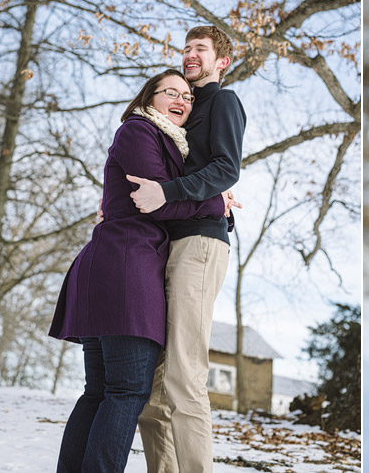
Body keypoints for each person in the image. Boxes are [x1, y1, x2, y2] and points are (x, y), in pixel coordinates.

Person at [49, 69, 226, 473]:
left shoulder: (163, 141)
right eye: (171, 92)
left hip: (109, 265)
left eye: (188, 95)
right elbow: (156, 202)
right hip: (126, 266)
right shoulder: (140, 131)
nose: (182, 99)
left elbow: (162, 192)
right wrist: (214, 204)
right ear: (149, 98)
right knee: (127, 392)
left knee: (99, 392)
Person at [129, 26, 246, 473]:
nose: (189, 55)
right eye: (186, 48)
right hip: (163, 246)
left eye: (200, 49)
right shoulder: (176, 115)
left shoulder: (223, 101)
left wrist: (169, 192)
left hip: (200, 242)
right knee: (152, 388)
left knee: (184, 374)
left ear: (221, 62)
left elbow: (226, 167)